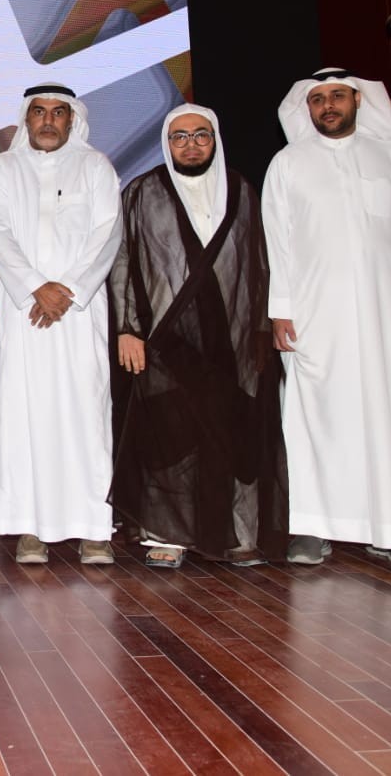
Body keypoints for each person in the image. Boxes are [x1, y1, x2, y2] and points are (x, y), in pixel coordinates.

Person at [263, 70, 391, 567]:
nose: (328, 106)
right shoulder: (288, 163)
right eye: (318, 100)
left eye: (337, 96)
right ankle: (312, 528)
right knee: (318, 417)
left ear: (358, 100)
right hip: (315, 314)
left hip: (385, 311)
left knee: (388, 413)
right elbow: (277, 241)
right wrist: (281, 309)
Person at [108, 105, 287, 568]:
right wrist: (128, 329)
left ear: (215, 139)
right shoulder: (142, 192)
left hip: (231, 336)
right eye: (180, 137)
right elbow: (124, 261)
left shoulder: (241, 190)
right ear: (167, 144)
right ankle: (164, 534)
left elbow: (260, 264)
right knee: (169, 436)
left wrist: (260, 330)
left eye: (200, 135)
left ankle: (236, 533)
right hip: (164, 337)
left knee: (231, 432)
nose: (191, 145)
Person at [0, 84, 121, 566]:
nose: (47, 120)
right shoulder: (4, 168)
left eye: (58, 112)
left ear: (72, 120)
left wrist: (68, 290)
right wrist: (35, 287)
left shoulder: (95, 166)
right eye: (39, 112)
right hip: (24, 312)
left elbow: (108, 233)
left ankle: (93, 528)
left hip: (79, 314)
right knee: (24, 414)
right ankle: (30, 526)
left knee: (86, 414)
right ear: (26, 119)